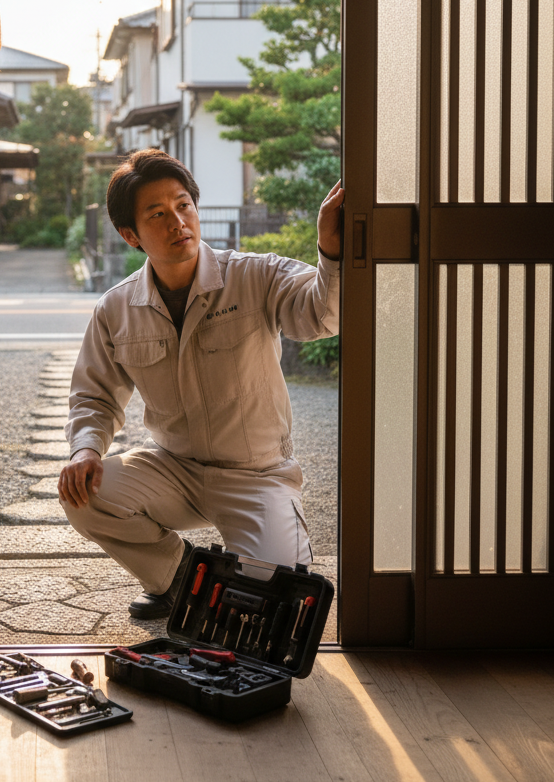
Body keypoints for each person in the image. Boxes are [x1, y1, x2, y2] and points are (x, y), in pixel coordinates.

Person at [57, 148, 343, 618]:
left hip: (256, 475)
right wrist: (85, 449)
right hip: (175, 470)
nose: (178, 222)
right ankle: (178, 579)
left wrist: (329, 249)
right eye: (157, 214)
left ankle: (229, 577)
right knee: (84, 493)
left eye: (183, 205)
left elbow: (322, 315)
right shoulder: (116, 308)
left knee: (268, 607)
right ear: (131, 234)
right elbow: (93, 396)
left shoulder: (256, 274)